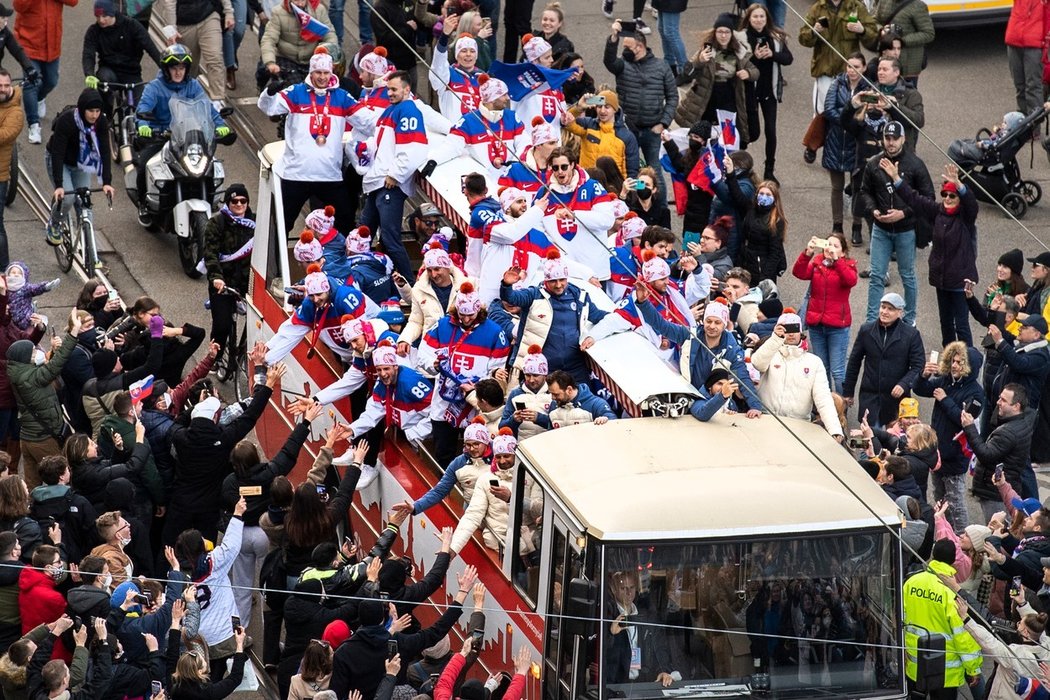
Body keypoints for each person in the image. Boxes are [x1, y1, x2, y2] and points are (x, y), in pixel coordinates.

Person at [162, 366, 279, 545]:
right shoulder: (223, 438)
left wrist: (197, 406)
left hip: (181, 503)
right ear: (215, 418)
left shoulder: (181, 437)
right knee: (208, 551)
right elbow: (251, 415)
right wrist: (268, 386)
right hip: (209, 507)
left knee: (169, 547)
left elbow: (177, 423)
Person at [257, 48, 366, 237]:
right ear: (311, 72)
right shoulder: (296, 92)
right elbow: (269, 109)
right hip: (296, 175)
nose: (322, 77)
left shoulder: (341, 96)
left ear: (331, 72)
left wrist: (390, 119)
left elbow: (366, 120)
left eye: (326, 73)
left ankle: (345, 262)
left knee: (346, 220)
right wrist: (268, 93)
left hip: (329, 176)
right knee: (280, 225)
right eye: (318, 72)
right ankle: (271, 264)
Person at [885, 161, 978, 347]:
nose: (948, 198)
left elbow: (972, 204)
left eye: (953, 195)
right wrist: (896, 179)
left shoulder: (965, 217)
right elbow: (914, 199)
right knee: (945, 325)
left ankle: (968, 362)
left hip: (960, 281)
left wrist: (960, 185)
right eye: (945, 194)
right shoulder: (937, 212)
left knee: (961, 325)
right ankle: (949, 360)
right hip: (941, 280)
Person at [417, 282, 510, 467]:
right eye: (462, 314)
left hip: (475, 403)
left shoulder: (495, 332)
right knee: (444, 453)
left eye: (471, 315)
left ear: (479, 309)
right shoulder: (442, 325)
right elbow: (423, 354)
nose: (466, 319)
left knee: (477, 455)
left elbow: (496, 370)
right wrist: (433, 365)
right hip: (444, 403)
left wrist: (478, 387)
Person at [134, 45, 228, 218]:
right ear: (166, 69)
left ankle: (212, 200)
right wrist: (143, 125)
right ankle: (143, 203)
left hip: (188, 137)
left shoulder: (194, 86)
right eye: (174, 68)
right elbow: (143, 109)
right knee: (144, 166)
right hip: (160, 137)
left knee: (211, 166)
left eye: (181, 68)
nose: (178, 72)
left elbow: (208, 109)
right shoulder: (154, 87)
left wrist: (220, 125)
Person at [636, 290, 762, 415]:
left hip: (713, 399)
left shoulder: (732, 350)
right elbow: (663, 326)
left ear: (724, 325)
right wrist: (643, 303)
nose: (712, 326)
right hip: (687, 394)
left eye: (717, 322)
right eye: (708, 321)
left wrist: (755, 406)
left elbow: (742, 378)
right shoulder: (689, 335)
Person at [857, 121, 933, 324]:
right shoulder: (874, 163)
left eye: (894, 138)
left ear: (903, 139)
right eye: (887, 138)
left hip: (906, 230)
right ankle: (872, 321)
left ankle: (909, 319)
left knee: (907, 274)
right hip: (880, 229)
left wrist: (904, 213)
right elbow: (865, 191)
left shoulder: (915, 165)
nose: (890, 143)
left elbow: (928, 197)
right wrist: (873, 210)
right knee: (876, 276)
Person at [499, 251, 616, 383]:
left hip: (574, 365)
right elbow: (511, 298)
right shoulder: (534, 295)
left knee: (584, 399)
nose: (558, 285)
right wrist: (506, 285)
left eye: (562, 280)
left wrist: (622, 317)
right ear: (545, 280)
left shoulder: (579, 296)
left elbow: (597, 316)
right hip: (541, 367)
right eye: (553, 281)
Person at [358, 71, 429, 282]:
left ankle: (410, 284)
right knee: (363, 234)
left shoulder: (407, 110)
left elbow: (414, 148)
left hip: (389, 184)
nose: (389, 93)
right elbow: (380, 144)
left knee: (389, 238)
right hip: (377, 182)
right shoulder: (390, 110)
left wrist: (396, 175)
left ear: (407, 89)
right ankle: (362, 277)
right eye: (388, 89)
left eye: (394, 89)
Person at [914, 342, 983, 533]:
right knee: (939, 498)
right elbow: (920, 389)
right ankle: (943, 533)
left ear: (970, 366)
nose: (954, 366)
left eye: (960, 362)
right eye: (953, 361)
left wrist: (944, 399)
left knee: (956, 504)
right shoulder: (946, 380)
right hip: (937, 453)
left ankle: (963, 539)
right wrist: (923, 375)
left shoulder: (976, 393)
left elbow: (965, 420)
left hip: (956, 456)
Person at [604, 20, 677, 201]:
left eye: (628, 46)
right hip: (628, 130)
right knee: (630, 171)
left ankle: (660, 209)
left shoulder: (661, 66)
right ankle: (633, 206)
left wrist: (663, 123)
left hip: (653, 130)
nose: (625, 50)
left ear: (640, 46)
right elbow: (609, 61)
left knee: (655, 173)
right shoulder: (622, 65)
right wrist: (614, 37)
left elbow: (673, 97)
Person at [797, 0, 877, 164]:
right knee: (823, 111)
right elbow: (803, 38)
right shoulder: (817, 8)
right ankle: (813, 145)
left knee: (850, 108)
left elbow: (874, 36)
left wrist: (862, 30)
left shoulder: (856, 7)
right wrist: (814, 31)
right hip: (825, 70)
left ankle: (845, 148)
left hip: (848, 71)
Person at [7, 311, 81, 489]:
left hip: (28, 438)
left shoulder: (19, 372)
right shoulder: (30, 376)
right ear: (25, 358)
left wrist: (54, 352)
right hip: (44, 439)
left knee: (33, 483)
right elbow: (54, 368)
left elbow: (47, 370)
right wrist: (73, 333)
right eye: (33, 351)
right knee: (59, 478)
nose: (37, 352)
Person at [902, 539, 982, 698]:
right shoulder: (951, 592)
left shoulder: (911, 583)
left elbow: (902, 620)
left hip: (915, 665)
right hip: (946, 673)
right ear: (953, 561)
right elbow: (962, 635)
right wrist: (973, 669)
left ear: (933, 556)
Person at [751, 310, 843, 437]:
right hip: (767, 422)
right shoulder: (770, 354)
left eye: (794, 328)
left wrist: (835, 430)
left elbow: (823, 398)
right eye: (786, 329)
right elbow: (757, 363)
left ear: (800, 331)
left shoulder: (814, 362)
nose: (791, 334)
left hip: (799, 427)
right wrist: (775, 338)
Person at [677, 13, 759, 148]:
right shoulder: (706, 51)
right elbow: (687, 73)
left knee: (726, 140)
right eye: (720, 31)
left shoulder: (739, 52)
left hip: (728, 100)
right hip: (707, 99)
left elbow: (755, 72)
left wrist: (748, 73)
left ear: (732, 34)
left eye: (727, 32)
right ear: (714, 33)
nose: (723, 35)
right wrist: (699, 62)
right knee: (702, 138)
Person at [534, 148, 618, 281]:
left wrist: (575, 215)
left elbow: (607, 220)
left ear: (573, 165)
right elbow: (536, 228)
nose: (560, 171)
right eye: (555, 168)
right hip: (563, 274)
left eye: (564, 166)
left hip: (594, 270)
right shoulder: (544, 192)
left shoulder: (592, 187)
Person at [843, 292, 925, 427]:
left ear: (900, 312)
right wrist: (848, 392)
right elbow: (854, 361)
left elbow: (918, 365)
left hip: (896, 401)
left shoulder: (911, 335)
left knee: (894, 443)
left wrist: (904, 384)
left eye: (890, 309)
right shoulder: (866, 330)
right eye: (883, 307)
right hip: (870, 397)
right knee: (871, 442)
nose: (884, 312)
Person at [792, 233, 856, 393]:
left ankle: (841, 409)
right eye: (829, 244)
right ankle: (825, 406)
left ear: (843, 252)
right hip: (817, 324)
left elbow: (850, 281)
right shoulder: (817, 263)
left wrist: (838, 261)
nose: (831, 249)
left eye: (836, 246)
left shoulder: (848, 265)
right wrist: (807, 253)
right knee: (821, 369)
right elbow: (799, 273)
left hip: (837, 327)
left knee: (837, 371)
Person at [964, 384, 1035, 521]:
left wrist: (969, 428)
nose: (998, 402)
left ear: (1016, 406)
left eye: (1003, 400)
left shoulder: (1007, 433)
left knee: (997, 532)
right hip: (1005, 487)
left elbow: (986, 455)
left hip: (994, 493)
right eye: (999, 398)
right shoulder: (1025, 419)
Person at [45, 89, 115, 226]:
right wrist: (59, 185)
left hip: (80, 163)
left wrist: (107, 182)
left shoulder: (101, 121)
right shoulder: (66, 121)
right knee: (68, 198)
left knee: (85, 202)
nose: (95, 115)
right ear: (83, 109)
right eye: (91, 111)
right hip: (60, 160)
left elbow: (105, 152)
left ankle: (88, 241)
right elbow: (58, 154)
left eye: (97, 111)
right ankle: (54, 224)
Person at [81, 0, 162, 116]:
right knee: (103, 88)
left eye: (105, 16)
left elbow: (150, 47)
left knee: (144, 109)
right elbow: (88, 54)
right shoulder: (93, 31)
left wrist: (165, 69)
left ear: (112, 13)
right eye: (97, 16)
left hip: (131, 73)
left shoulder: (132, 25)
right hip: (109, 71)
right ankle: (105, 119)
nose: (101, 20)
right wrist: (89, 74)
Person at [203, 184, 254, 358]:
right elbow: (210, 253)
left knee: (258, 323)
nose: (239, 204)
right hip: (222, 283)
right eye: (234, 201)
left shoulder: (255, 223)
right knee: (222, 325)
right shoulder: (217, 222)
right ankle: (214, 358)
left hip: (246, 282)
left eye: (243, 201)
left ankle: (242, 352)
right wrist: (216, 277)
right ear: (227, 202)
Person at [13, 0, 74, 145]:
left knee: (51, 81)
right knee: (31, 84)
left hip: (52, 44)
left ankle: (40, 98)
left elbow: (74, 2)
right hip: (28, 43)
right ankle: (33, 125)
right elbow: (18, 6)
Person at [155, 0, 232, 109]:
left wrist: (229, 12)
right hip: (183, 24)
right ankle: (185, 98)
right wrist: (171, 30)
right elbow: (169, 2)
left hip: (208, 17)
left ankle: (217, 100)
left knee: (215, 58)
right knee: (187, 65)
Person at [450, 428, 517, 552]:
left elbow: (537, 509)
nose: (502, 461)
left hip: (526, 543)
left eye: (507, 456)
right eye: (498, 456)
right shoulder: (485, 479)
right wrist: (453, 549)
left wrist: (510, 498)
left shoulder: (529, 476)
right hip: (497, 542)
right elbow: (472, 515)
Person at [396, 246, 469, 358]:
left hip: (462, 347)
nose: (433, 275)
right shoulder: (419, 289)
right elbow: (416, 321)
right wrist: (405, 339)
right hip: (432, 348)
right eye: (429, 270)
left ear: (447, 267)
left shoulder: (468, 286)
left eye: (437, 269)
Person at [822, 53, 864, 243]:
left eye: (856, 66)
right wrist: (850, 118)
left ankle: (857, 225)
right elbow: (828, 110)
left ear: (863, 68)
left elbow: (869, 115)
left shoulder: (868, 88)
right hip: (836, 142)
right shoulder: (837, 84)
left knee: (858, 187)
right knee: (836, 187)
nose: (852, 70)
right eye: (849, 66)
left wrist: (849, 118)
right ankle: (837, 224)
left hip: (856, 144)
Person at [565, 90, 639, 179]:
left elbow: (632, 171)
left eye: (607, 107)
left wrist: (630, 190)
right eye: (599, 106)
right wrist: (579, 107)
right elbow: (565, 120)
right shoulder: (588, 125)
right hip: (587, 184)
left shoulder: (627, 136)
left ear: (615, 109)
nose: (602, 111)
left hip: (614, 189)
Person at [259, 0, 336, 83]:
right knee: (294, 88)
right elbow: (269, 39)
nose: (299, 4)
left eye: (302, 0)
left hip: (312, 59)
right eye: (296, 0)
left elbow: (329, 34)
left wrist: (330, 56)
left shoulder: (319, 10)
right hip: (287, 58)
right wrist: (270, 62)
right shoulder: (278, 12)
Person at [430, 17, 482, 123]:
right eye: (463, 51)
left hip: (478, 135)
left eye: (472, 51)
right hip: (454, 133)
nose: (468, 54)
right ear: (457, 55)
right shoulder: (448, 74)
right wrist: (444, 36)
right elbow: (438, 64)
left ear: (476, 56)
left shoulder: (483, 78)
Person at [873, 0, 933, 86]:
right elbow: (875, 21)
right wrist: (881, 30)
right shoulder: (883, 1)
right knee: (884, 94)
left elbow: (928, 33)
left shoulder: (917, 6)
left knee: (907, 96)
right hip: (886, 61)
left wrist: (901, 41)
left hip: (909, 65)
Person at [1005, 0, 1046, 122]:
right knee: (1020, 86)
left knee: (1033, 87)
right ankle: (1021, 124)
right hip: (1014, 39)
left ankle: (1035, 126)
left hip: (1035, 43)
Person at [0, 69, 21, 267]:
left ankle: (3, 270)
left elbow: (6, 134)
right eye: (0, 86)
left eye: (7, 86)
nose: (3, 90)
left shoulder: (15, 112)